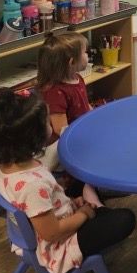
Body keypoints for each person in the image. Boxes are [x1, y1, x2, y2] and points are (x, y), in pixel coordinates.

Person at [0, 90, 135, 273]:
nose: (51, 124)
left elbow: (39, 205)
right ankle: (96, 207)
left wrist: (68, 202)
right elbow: (52, 233)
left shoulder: (2, 168)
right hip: (58, 246)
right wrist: (83, 214)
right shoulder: (32, 186)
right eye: (48, 121)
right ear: (34, 138)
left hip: (48, 219)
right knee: (126, 219)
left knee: (82, 177)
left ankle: (94, 203)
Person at [36, 32, 92, 171]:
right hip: (62, 145)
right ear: (72, 62)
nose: (88, 55)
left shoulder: (77, 78)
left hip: (80, 131)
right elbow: (61, 129)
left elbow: (85, 105)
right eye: (85, 52)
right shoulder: (55, 92)